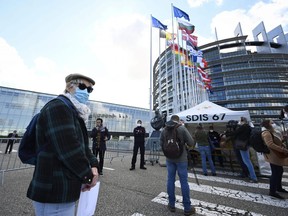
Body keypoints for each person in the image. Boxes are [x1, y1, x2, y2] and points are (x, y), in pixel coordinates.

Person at [27, 73, 99, 216]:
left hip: (63, 187)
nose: (86, 92)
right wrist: (88, 177)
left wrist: (94, 165)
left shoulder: (74, 112)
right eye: (83, 87)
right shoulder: (58, 107)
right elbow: (68, 149)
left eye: (90, 90)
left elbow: (83, 146)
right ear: (69, 86)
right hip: (54, 189)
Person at [160, 115, 195, 215]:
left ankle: (171, 205)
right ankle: (187, 208)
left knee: (170, 179)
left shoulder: (164, 130)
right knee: (184, 181)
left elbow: (161, 143)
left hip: (169, 159)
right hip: (181, 159)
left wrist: (167, 151)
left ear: (171, 120)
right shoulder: (182, 128)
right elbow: (191, 142)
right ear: (178, 120)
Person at [261, 119, 288, 199]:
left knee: (279, 171)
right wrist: (282, 150)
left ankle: (278, 188)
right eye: (271, 122)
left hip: (276, 155)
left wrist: (282, 141)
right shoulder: (266, 132)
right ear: (268, 124)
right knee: (276, 172)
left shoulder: (271, 131)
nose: (273, 123)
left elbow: (276, 141)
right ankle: (272, 191)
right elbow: (270, 144)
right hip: (273, 156)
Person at [234, 117, 258, 183]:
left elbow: (235, 133)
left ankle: (253, 177)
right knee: (247, 160)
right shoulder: (249, 127)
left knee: (247, 161)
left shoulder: (243, 127)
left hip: (242, 145)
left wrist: (237, 126)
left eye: (239, 121)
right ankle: (251, 175)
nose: (239, 122)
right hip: (246, 145)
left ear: (242, 121)